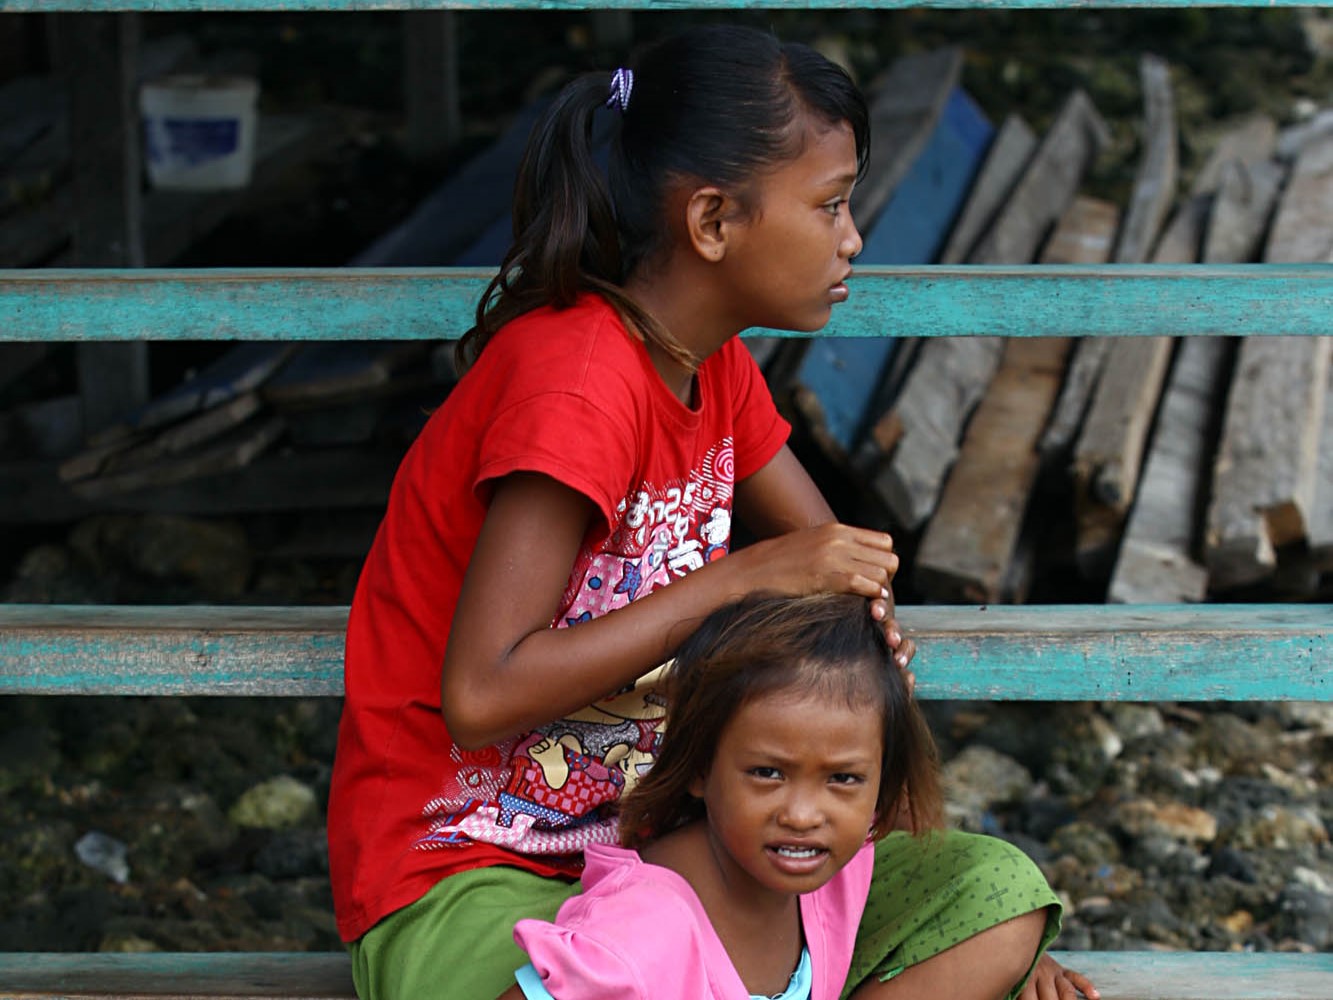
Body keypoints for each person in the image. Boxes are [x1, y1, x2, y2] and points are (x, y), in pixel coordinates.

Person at [327, 22, 1097, 1000]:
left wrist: (858, 643)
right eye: (829, 205)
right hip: (471, 878)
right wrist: (738, 581)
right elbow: (482, 691)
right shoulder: (573, 385)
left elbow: (836, 573)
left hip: (664, 856)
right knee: (642, 951)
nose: (852, 237)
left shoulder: (714, 368)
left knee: (993, 899)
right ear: (711, 222)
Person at [500, 592, 943, 1000]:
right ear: (698, 766)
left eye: (843, 778)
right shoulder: (637, 935)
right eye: (767, 773)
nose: (804, 815)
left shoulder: (839, 858)